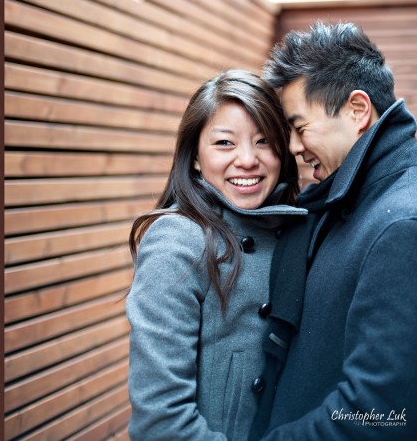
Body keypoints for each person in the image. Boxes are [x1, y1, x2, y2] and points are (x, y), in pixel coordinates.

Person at [248, 21, 417, 440]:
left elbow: (381, 413)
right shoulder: (353, 200)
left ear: (358, 111)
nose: (292, 147)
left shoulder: (401, 225)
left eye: (300, 127)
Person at [125, 69, 306, 440]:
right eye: (225, 143)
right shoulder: (178, 240)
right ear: (194, 156)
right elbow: (160, 421)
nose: (247, 160)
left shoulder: (296, 231)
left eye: (264, 141)